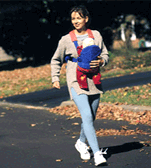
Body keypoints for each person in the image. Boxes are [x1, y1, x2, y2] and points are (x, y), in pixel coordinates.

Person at [50, 5, 109, 167]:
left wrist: (102, 61)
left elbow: (105, 53)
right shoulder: (66, 39)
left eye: (79, 18)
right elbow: (56, 59)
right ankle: (97, 153)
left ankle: (81, 142)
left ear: (86, 19)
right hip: (75, 80)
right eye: (73, 19)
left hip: (94, 79)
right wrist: (55, 77)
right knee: (87, 116)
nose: (76, 21)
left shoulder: (96, 35)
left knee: (91, 116)